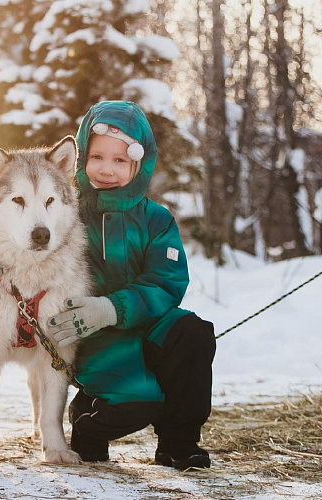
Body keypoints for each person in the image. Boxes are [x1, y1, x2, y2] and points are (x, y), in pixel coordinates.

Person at [45, 100, 216, 470]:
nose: (106, 169)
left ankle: (178, 441)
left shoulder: (156, 219)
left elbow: (166, 282)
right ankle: (88, 421)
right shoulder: (64, 213)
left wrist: (114, 308)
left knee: (194, 332)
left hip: (144, 325)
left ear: (139, 164)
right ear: (81, 158)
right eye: (97, 157)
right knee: (141, 402)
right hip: (89, 333)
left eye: (120, 161)